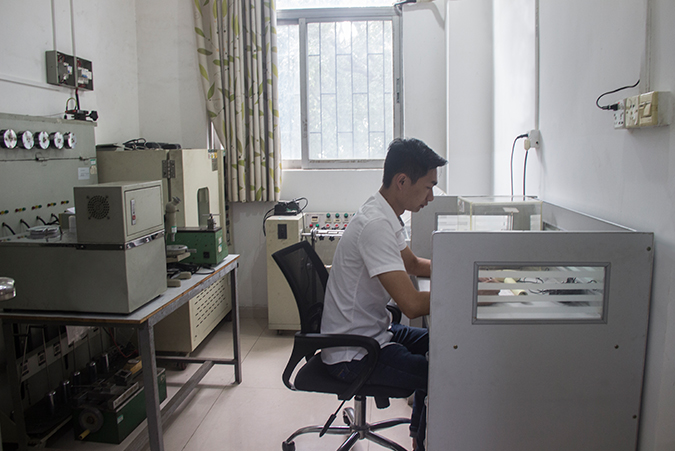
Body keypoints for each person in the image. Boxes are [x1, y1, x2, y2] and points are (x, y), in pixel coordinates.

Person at [321, 137, 447, 450]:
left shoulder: (384, 213)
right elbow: (412, 304)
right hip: (354, 353)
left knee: (443, 344)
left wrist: (462, 272)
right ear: (402, 181)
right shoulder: (375, 225)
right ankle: (423, 441)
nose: (431, 197)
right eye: (428, 187)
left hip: (373, 332)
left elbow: (412, 264)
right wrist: (467, 293)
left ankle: (418, 435)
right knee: (441, 371)